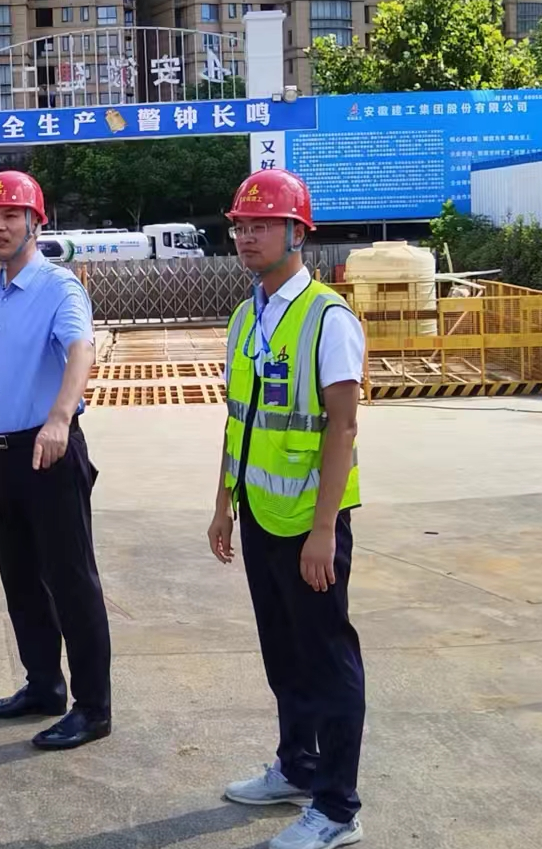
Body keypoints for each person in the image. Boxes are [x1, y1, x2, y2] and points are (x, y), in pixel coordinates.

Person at [208, 169, 367, 849]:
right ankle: (297, 766)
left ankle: (337, 808)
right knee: (283, 653)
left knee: (327, 660)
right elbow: (238, 417)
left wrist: (324, 530)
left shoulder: (329, 319)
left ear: (297, 233)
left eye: (263, 225)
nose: (247, 237)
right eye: (241, 226)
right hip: (259, 514)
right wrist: (223, 501)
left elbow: (343, 426)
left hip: (310, 523)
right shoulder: (246, 316)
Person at [0, 170, 113, 751]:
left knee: (71, 580)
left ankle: (93, 707)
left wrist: (60, 417)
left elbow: (82, 349)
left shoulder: (59, 288)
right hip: (1, 453)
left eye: (11, 215)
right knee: (21, 578)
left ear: (37, 222)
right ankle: (43, 685)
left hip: (48, 450)